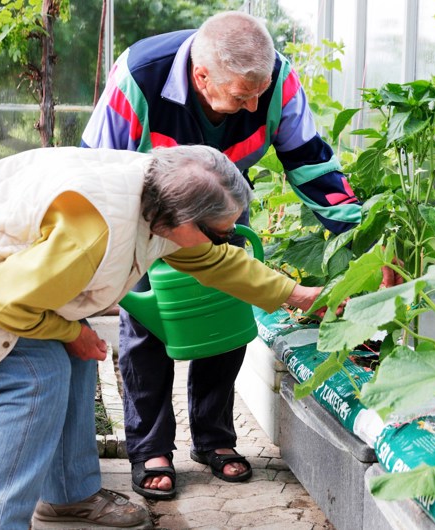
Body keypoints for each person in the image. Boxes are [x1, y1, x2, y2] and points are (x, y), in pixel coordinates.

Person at [0, 145, 324, 530]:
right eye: (219, 233)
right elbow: (3, 301)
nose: (223, 242)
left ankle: (69, 495)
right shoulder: (95, 230)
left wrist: (299, 295)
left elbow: (217, 262)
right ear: (183, 219)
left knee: (74, 353)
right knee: (37, 376)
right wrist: (69, 331)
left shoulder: (154, 196)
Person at [81, 10, 362, 500]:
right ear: (201, 77)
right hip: (147, 213)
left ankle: (213, 438)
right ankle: (151, 448)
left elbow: (311, 162)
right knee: (148, 325)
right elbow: (95, 173)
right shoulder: (139, 78)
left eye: (260, 92)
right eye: (241, 96)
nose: (254, 105)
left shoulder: (275, 80)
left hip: (225, 206)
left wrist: (360, 237)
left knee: (226, 320)